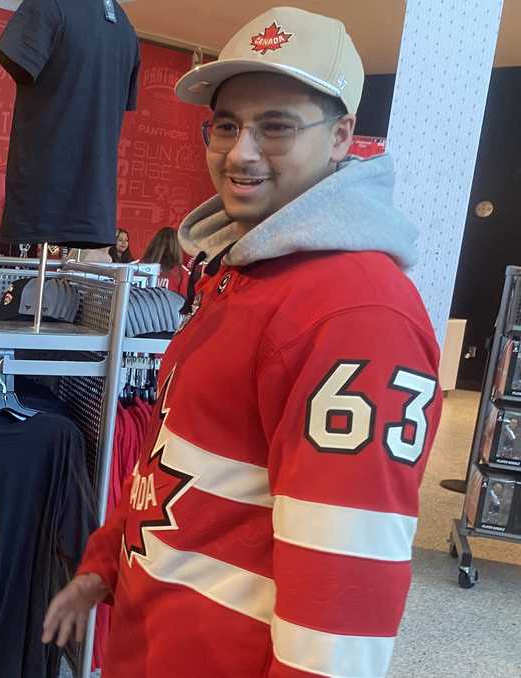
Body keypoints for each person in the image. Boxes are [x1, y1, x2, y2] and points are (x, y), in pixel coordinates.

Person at [43, 7, 443, 677]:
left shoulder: (357, 314)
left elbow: (343, 602)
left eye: (276, 126)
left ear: (341, 136)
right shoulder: (240, 273)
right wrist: (106, 562)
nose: (241, 153)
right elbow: (177, 461)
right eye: (227, 125)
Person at [139, 227, 188, 295]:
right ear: (177, 247)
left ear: (154, 243)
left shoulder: (136, 267)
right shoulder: (181, 272)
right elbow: (184, 299)